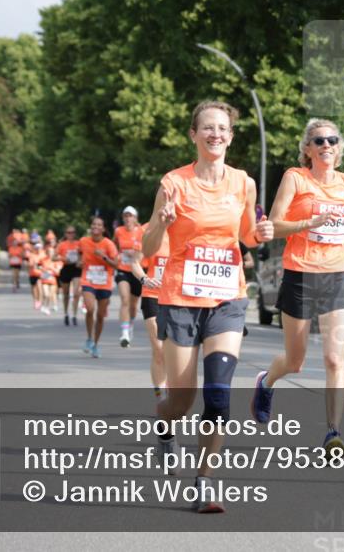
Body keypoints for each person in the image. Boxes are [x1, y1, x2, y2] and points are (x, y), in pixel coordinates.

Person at [142, 100, 273, 514]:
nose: (216, 134)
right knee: (181, 401)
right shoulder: (173, 183)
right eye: (208, 128)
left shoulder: (243, 183)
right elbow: (148, 248)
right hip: (180, 299)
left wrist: (263, 231)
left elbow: (249, 237)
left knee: (218, 395)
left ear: (231, 137)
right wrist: (161, 222)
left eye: (223, 128)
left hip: (227, 299)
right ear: (193, 135)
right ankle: (164, 429)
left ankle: (205, 482)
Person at [250, 119, 344, 454]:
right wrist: (308, 223)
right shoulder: (295, 178)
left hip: (338, 275)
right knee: (295, 361)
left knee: (335, 359)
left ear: (339, 147)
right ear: (308, 148)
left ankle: (333, 432)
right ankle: (267, 381)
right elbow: (273, 225)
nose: (326, 146)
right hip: (301, 273)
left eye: (332, 140)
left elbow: (340, 224)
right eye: (318, 141)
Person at [131, 229, 170, 402]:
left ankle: (171, 390)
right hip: (152, 295)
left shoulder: (190, 230)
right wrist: (145, 279)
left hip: (178, 298)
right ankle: (161, 395)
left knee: (174, 350)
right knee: (159, 349)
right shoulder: (152, 232)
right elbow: (135, 262)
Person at [79, 216, 119, 358]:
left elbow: (116, 264)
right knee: (90, 309)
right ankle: (89, 338)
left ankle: (96, 344)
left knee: (100, 316)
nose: (95, 226)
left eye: (99, 225)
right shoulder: (83, 241)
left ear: (103, 228)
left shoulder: (108, 244)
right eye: (94, 224)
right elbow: (79, 254)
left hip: (104, 282)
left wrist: (103, 257)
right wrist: (79, 262)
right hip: (88, 280)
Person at [113, 206, 144, 348]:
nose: (127, 218)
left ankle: (130, 324)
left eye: (130, 216)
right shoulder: (118, 231)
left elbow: (147, 249)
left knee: (133, 304)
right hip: (123, 269)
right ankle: (124, 333)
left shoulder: (141, 232)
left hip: (137, 270)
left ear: (135, 218)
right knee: (124, 299)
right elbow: (114, 246)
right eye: (125, 216)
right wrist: (116, 254)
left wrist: (137, 254)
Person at [55, 225, 83, 326]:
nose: (70, 234)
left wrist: (80, 261)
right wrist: (63, 259)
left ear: (75, 234)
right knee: (66, 294)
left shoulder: (79, 244)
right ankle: (66, 313)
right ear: (65, 234)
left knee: (76, 293)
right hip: (66, 268)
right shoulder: (62, 244)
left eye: (72, 232)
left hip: (76, 269)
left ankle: (74, 315)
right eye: (68, 233)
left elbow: (83, 255)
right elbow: (54, 257)